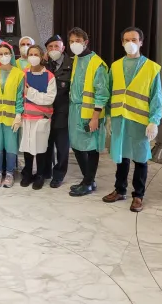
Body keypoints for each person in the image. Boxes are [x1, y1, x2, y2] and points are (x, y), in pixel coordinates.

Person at [102, 27, 162, 213]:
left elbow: (156, 97)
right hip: (120, 118)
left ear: (141, 42)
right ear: (122, 43)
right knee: (122, 157)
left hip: (140, 120)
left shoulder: (151, 68)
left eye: (134, 39)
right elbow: (109, 91)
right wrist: (109, 115)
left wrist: (154, 120)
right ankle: (120, 190)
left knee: (140, 159)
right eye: (127, 39)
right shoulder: (116, 66)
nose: (131, 43)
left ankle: (138, 195)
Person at [67, 27, 110, 197]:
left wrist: (95, 117)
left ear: (86, 42)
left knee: (91, 148)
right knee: (77, 147)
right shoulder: (77, 59)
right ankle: (87, 179)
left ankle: (89, 182)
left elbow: (102, 93)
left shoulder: (96, 63)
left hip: (90, 112)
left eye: (78, 41)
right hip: (75, 110)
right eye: (71, 41)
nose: (74, 44)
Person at [19, 45, 57, 190]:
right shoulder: (23, 74)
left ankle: (40, 175)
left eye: (36, 54)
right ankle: (28, 173)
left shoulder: (49, 76)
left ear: (42, 57)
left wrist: (30, 93)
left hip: (42, 118)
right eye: (30, 54)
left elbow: (49, 99)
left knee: (40, 147)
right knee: (27, 147)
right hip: (26, 117)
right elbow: (19, 96)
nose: (33, 57)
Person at [0, 44, 24, 188]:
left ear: (11, 55)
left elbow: (20, 96)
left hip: (11, 117)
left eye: (6, 53)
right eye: (1, 54)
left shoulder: (19, 74)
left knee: (11, 146)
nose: (3, 56)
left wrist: (18, 115)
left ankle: (9, 173)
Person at [43, 35, 73, 188]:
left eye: (57, 46)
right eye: (50, 47)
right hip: (46, 113)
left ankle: (59, 174)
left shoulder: (72, 65)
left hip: (64, 112)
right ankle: (46, 171)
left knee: (62, 147)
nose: (54, 49)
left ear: (63, 48)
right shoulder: (44, 65)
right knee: (46, 145)